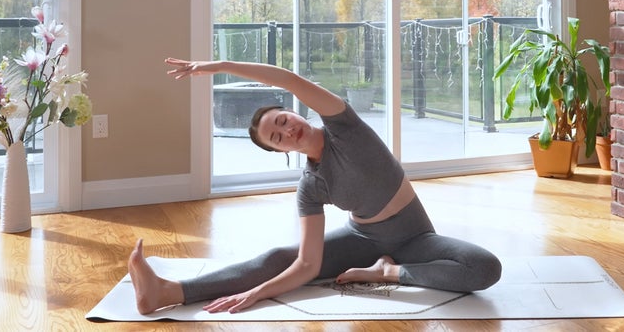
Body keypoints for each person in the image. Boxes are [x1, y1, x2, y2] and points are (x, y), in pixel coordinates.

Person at [127, 58, 502, 315]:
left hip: (416, 239)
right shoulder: (310, 185)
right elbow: (307, 264)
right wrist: (257, 293)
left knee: (484, 268)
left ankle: (388, 272)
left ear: (292, 111)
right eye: (277, 136)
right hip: (362, 241)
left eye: (283, 119)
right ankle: (167, 292)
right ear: (280, 150)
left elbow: (287, 79)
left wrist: (220, 66)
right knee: (279, 257)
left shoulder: (344, 126)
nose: (288, 130)